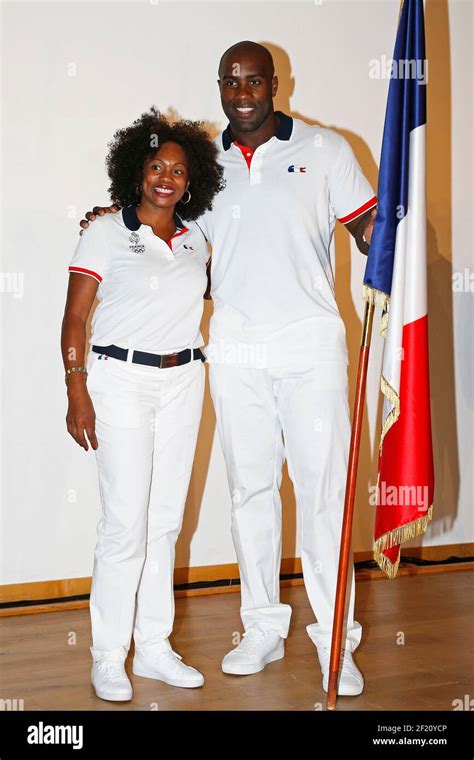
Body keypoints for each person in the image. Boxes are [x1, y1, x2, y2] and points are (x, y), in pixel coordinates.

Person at [80, 42, 378, 697]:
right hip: (236, 350)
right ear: (221, 86)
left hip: (311, 346)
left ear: (275, 83)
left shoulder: (328, 150)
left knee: (325, 497)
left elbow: (369, 227)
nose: (242, 92)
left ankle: (335, 644)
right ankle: (262, 628)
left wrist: (403, 237)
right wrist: (105, 217)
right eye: (231, 82)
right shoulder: (206, 163)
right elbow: (162, 224)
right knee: (250, 494)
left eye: (254, 81)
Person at [62, 107, 225, 701]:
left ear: (193, 181)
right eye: (157, 166)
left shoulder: (196, 239)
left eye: (179, 171)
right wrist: (75, 385)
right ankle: (109, 655)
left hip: (184, 381)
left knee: (164, 524)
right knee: (124, 524)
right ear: (137, 169)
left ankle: (154, 647)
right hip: (119, 381)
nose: (167, 178)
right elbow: (76, 316)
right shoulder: (104, 231)